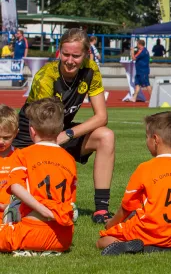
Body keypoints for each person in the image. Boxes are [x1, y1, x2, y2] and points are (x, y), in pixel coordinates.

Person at [13, 28, 115, 224]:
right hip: (33, 134)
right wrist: (55, 142)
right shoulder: (46, 76)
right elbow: (43, 123)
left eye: (76, 56)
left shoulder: (91, 70)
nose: (69, 60)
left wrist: (68, 133)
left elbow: (102, 117)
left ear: (86, 54)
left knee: (106, 136)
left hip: (61, 132)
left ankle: (101, 211)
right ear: (59, 51)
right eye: (65, 54)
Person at [97, 112, 171, 256]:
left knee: (102, 241)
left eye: (147, 136)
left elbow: (126, 208)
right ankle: (156, 246)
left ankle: (133, 246)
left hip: (150, 231)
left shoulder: (145, 168)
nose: (146, 141)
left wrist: (110, 224)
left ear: (155, 139)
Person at [0, 98, 77, 254]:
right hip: (62, 238)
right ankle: (43, 248)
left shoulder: (23, 154)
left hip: (29, 229)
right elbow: (71, 202)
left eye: (6, 137)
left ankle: (27, 246)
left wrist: (43, 211)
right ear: (61, 128)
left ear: (31, 131)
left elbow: (15, 186)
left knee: (14, 211)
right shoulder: (69, 159)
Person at [0, 105, 22, 213]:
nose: (1, 141)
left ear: (15, 134)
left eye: (6, 137)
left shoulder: (21, 156)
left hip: (14, 212)